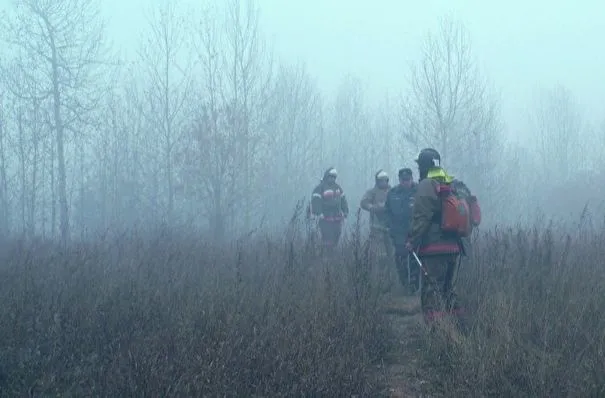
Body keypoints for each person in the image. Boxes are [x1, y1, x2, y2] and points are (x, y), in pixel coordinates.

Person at [406, 148, 479, 324]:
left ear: (423, 165)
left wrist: (411, 240)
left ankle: (437, 334)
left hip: (433, 250)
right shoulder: (451, 183)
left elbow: (421, 216)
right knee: (448, 291)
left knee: (431, 292)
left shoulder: (426, 184)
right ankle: (461, 328)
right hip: (454, 248)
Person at [385, 168, 419, 294]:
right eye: (403, 180)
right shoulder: (393, 193)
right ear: (399, 180)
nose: (406, 182)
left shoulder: (419, 191)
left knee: (415, 259)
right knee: (401, 260)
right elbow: (387, 211)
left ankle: (415, 286)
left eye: (408, 180)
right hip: (398, 232)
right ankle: (405, 285)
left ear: (412, 179)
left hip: (416, 231)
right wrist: (390, 225)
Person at [310, 167, 349, 250]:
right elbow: (316, 201)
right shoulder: (320, 188)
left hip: (337, 219)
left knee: (336, 237)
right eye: (330, 176)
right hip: (325, 219)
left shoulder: (338, 188)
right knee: (327, 239)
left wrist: (345, 211)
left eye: (334, 177)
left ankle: (332, 257)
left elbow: (343, 200)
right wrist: (318, 213)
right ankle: (326, 257)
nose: (332, 179)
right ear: (326, 176)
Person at [360, 170, 392, 258]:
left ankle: (391, 270)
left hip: (391, 227)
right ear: (377, 181)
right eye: (381, 180)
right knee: (379, 253)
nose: (383, 182)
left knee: (392, 252)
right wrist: (373, 207)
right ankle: (379, 270)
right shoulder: (372, 192)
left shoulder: (392, 191)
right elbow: (363, 202)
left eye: (385, 180)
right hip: (377, 227)